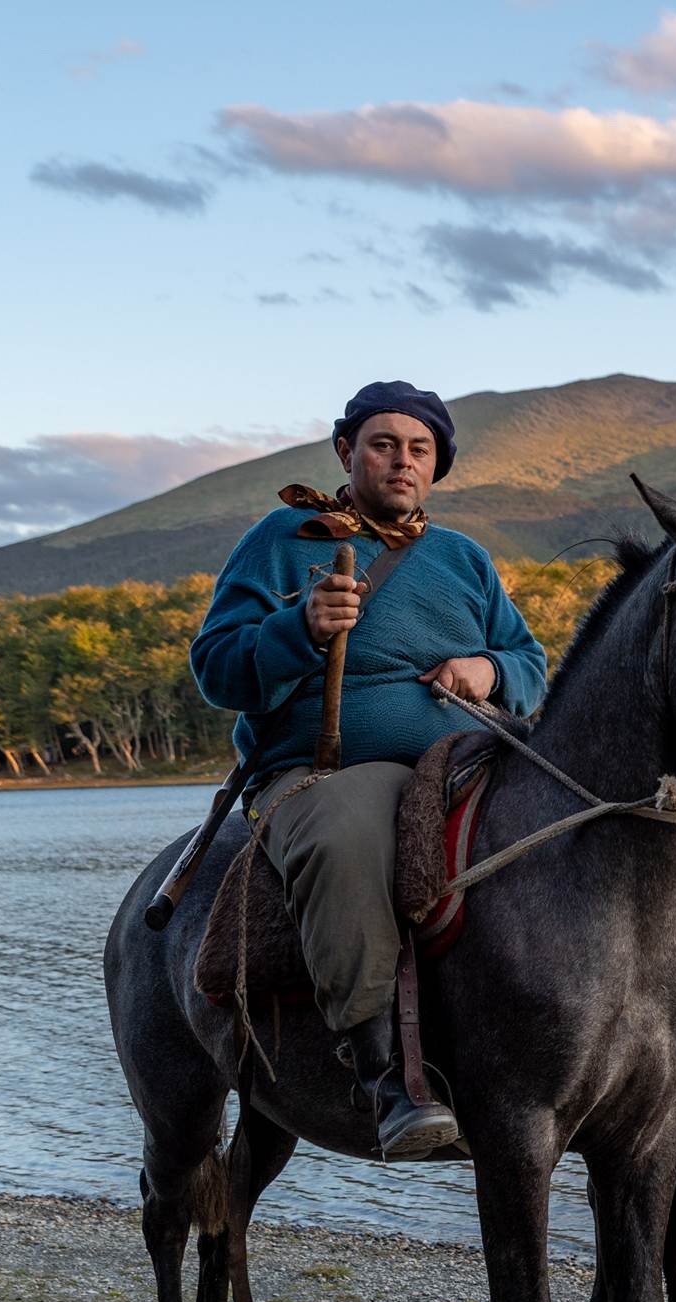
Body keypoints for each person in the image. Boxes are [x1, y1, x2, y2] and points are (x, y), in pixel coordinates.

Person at [191, 380, 547, 1158]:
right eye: (384, 444)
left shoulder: (463, 558)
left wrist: (488, 671)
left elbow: (531, 661)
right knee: (347, 832)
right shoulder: (284, 537)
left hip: (470, 760)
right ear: (347, 452)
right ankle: (383, 1070)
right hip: (321, 774)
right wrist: (299, 628)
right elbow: (216, 669)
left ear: (436, 467)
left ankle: (633, 1048)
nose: (402, 460)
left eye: (420, 450)